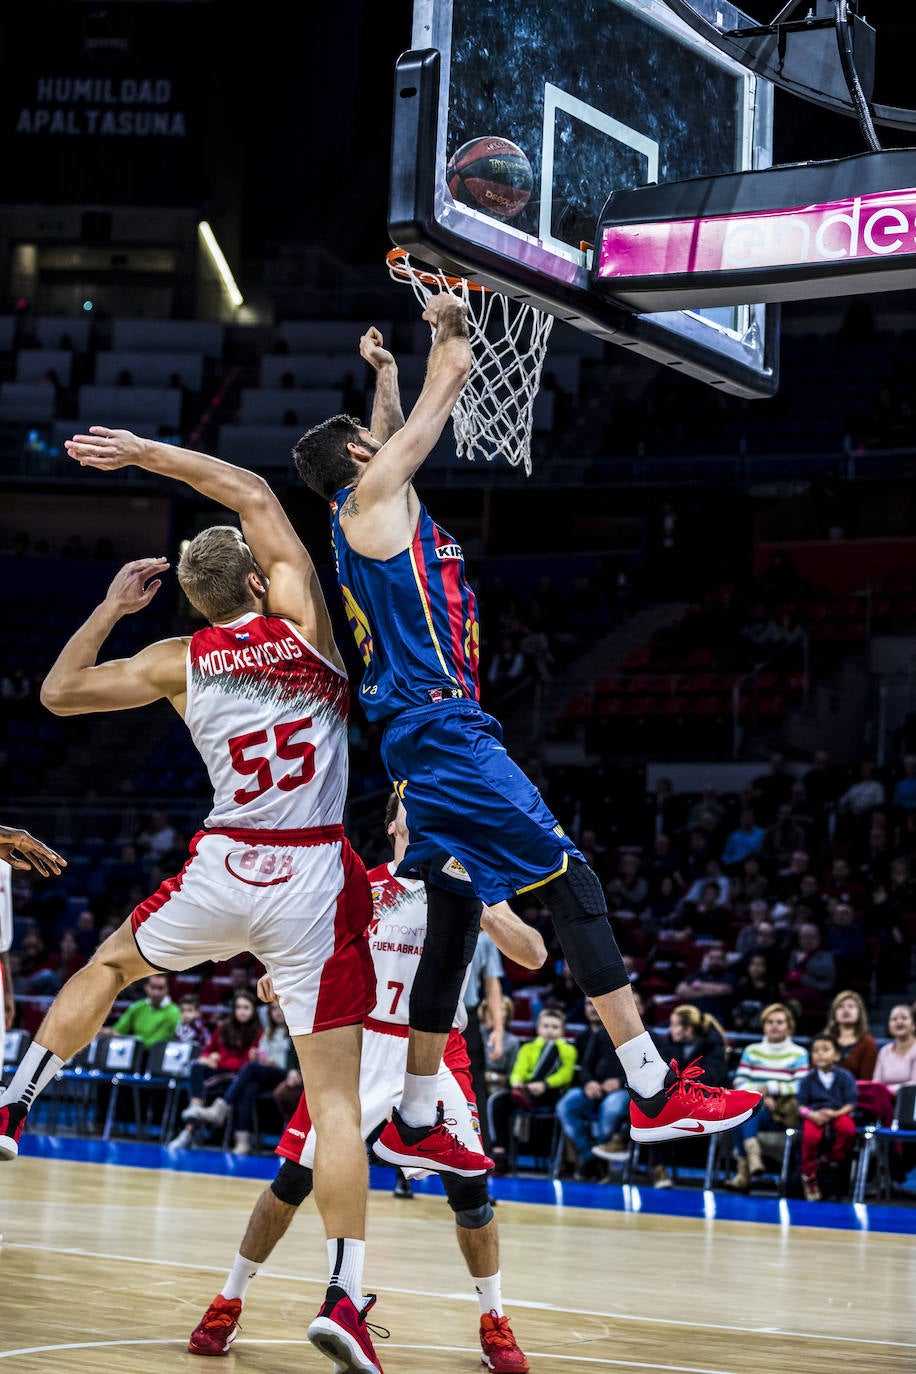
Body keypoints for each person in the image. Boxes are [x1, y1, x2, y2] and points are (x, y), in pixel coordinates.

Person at [292, 301, 761, 1167]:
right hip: (444, 728)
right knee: (570, 877)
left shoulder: (365, 513)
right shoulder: (372, 501)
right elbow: (460, 380)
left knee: (457, 911)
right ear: (361, 459)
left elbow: (397, 443)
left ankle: (420, 1113)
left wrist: (386, 380)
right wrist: (447, 330)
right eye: (373, 437)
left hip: (416, 739)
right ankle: (653, 1089)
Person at [0, 429, 380, 1372]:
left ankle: (13, 1105)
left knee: (109, 966)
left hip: (224, 866)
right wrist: (144, 453)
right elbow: (251, 487)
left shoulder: (180, 658)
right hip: (310, 873)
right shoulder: (300, 627)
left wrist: (106, 606)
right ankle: (345, 1294)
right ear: (258, 584)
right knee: (333, 1103)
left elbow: (57, 693)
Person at [190, 792, 544, 1373]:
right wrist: (281, 975)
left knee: (471, 1196)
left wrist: (483, 904)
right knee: (290, 1183)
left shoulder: (472, 883)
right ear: (394, 822)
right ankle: (228, 1301)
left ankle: (494, 1320)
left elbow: (532, 953)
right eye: (412, 800)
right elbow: (304, 947)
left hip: (435, 1053)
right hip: (357, 1045)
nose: (426, 806)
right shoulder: (364, 885)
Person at [726, 1003, 810, 1191]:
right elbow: (739, 1082)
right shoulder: (752, 1050)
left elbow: (800, 1086)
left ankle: (743, 1172)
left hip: (782, 1111)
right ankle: (752, 1159)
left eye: (780, 1022)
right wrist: (760, 1096)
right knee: (745, 1112)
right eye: (770, 1021)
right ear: (764, 1025)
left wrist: (771, 1088)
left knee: (743, 1114)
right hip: (756, 1106)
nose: (774, 1026)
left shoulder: (799, 1053)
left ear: (789, 1026)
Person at [172, 990, 267, 1153]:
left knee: (205, 1080)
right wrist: (207, 1058)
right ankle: (194, 1111)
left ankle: (189, 1130)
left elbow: (246, 1064)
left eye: (246, 1007)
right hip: (220, 1072)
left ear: (253, 1010)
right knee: (197, 1066)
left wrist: (219, 1060)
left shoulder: (258, 1033)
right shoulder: (223, 1027)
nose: (242, 1011)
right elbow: (208, 1050)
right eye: (238, 1007)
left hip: (237, 1077)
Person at [487, 1006, 577, 1165]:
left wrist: (544, 1084)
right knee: (497, 1101)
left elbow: (565, 1074)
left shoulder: (568, 1050)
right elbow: (518, 1069)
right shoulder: (528, 1048)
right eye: (546, 1026)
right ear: (538, 1028)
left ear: (562, 1031)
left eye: (555, 1027)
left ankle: (525, 1096)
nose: (550, 1031)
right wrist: (517, 1081)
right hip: (526, 1088)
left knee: (552, 1048)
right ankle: (499, 1148)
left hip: (551, 1093)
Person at [556, 997, 628, 1179]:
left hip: (623, 1090)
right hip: (592, 1090)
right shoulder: (589, 1037)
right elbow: (583, 1068)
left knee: (611, 1106)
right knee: (566, 1104)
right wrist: (588, 1083)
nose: (593, 1008)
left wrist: (620, 1082)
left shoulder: (632, 1035)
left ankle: (596, 1158)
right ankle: (592, 1158)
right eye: (589, 1004)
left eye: (597, 1003)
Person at [797, 1034, 858, 1201]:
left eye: (825, 1049)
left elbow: (851, 1103)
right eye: (816, 1051)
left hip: (838, 1113)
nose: (820, 1054)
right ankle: (808, 1174)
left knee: (847, 1129)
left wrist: (836, 1114)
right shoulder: (808, 1079)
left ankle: (831, 1158)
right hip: (815, 1115)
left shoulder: (845, 1076)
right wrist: (811, 1114)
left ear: (837, 1055)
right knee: (810, 1137)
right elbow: (800, 1105)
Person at [104, 971, 180, 1048]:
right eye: (153, 987)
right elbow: (118, 1031)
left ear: (167, 989)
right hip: (136, 1055)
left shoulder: (175, 1013)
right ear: (146, 987)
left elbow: (159, 1043)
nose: (156, 993)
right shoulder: (137, 1007)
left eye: (160, 988)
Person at [825, 989, 878, 1081]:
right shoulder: (824, 1041)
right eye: (840, 1006)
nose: (846, 1010)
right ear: (834, 1013)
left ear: (859, 1013)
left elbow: (867, 1080)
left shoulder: (868, 1043)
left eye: (851, 1006)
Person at [872, 1004, 916, 1096]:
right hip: (886, 1100)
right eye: (894, 1019)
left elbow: (914, 1085)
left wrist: (887, 1090)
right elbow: (876, 1083)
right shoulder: (884, 1051)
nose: (899, 1022)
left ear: (913, 1025)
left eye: (904, 1018)